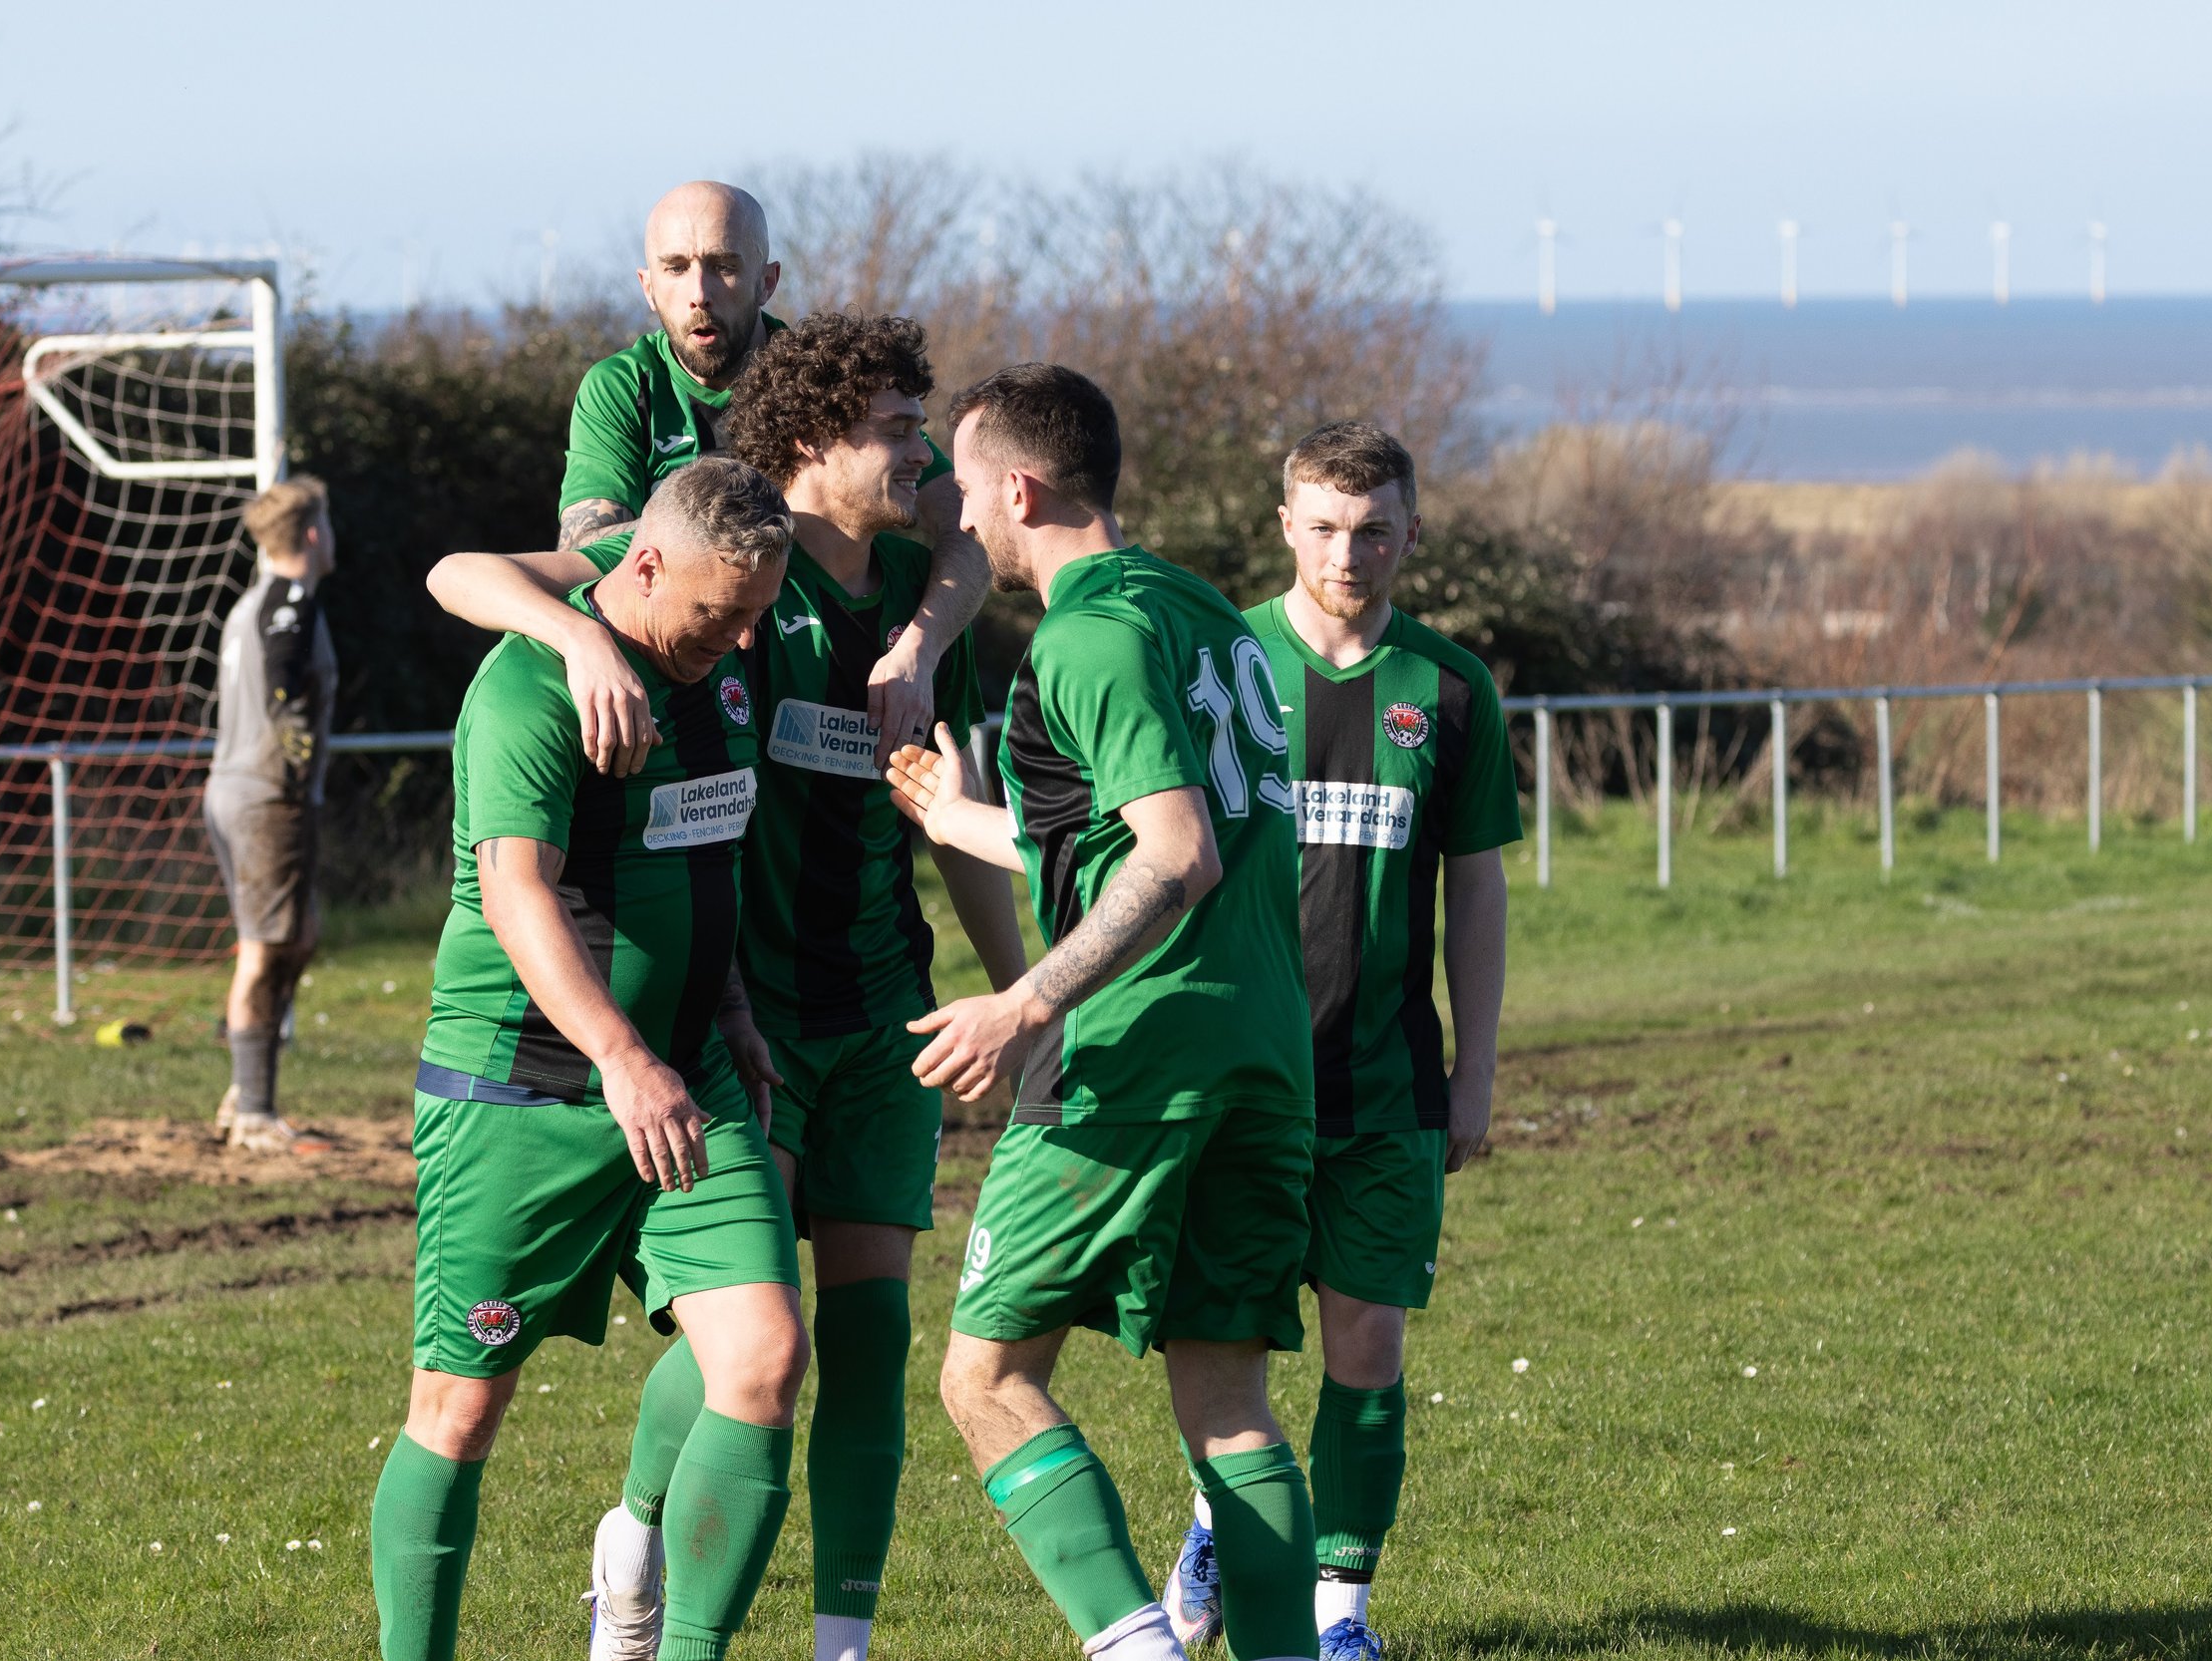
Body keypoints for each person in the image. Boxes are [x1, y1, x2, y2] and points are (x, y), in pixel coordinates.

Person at [427, 312, 1029, 1661]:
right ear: (814, 442)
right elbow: (472, 573)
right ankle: (637, 1533)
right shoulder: (728, 571)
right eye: (895, 431)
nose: (921, 455)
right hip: (735, 1015)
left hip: (880, 1010)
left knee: (859, 1338)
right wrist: (579, 639)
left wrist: (1021, 997)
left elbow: (951, 805)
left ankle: (840, 1642)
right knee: (739, 1345)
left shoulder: (923, 604)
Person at [884, 365, 1321, 1661]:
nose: (959, 522)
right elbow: (1137, 834)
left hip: (1135, 1058)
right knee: (1228, 1399)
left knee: (986, 1375)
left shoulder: (1084, 634)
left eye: (966, 493)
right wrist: (956, 817)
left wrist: (1022, 999)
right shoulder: (1203, 612)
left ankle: (1134, 1647)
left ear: (1018, 488)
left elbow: (1173, 854)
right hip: (1264, 1049)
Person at [370, 459, 809, 1661]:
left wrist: (724, 1013)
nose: (736, 637)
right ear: (645, 563)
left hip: (684, 1080)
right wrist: (620, 1054)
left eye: (756, 613)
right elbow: (517, 891)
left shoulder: (710, 681)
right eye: (718, 611)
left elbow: (695, 851)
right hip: (522, 1091)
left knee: (764, 1358)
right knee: (458, 1413)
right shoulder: (528, 690)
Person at [1150, 423, 1522, 1661]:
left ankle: (1340, 1617)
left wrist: (1475, 1070)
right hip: (1241, 1079)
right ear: (1284, 527)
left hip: (1386, 1085)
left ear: (1412, 532)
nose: (1347, 552)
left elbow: (1476, 890)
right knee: (1234, 1345)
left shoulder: (1453, 690)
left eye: (1373, 529)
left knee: (1367, 1348)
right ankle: (1216, 1514)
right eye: (1323, 525)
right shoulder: (1220, 665)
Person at [551, 180, 989, 778]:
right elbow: (587, 554)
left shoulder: (822, 382)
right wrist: (584, 639)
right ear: (647, 286)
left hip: (810, 666)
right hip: (680, 688)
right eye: (675, 268)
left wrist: (920, 647)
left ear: (768, 280)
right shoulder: (623, 388)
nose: (699, 293)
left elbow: (967, 524)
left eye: (724, 267)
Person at [205, 476, 337, 1152]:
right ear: (314, 534)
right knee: (262, 951)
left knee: (299, 934)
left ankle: (247, 1083)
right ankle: (252, 1108)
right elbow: (286, 678)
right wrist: (297, 755)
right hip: (265, 797)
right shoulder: (289, 602)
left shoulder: (250, 601)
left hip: (236, 789)